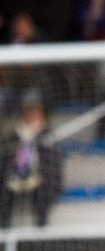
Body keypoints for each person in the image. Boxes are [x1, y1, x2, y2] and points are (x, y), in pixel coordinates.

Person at [0, 96, 62, 228]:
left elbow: (53, 162)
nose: (34, 118)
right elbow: (5, 160)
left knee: (44, 189)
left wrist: (39, 174)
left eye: (37, 115)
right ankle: (5, 227)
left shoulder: (47, 135)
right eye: (31, 115)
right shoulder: (13, 136)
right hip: (15, 177)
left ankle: (41, 225)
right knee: (3, 190)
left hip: (39, 177)